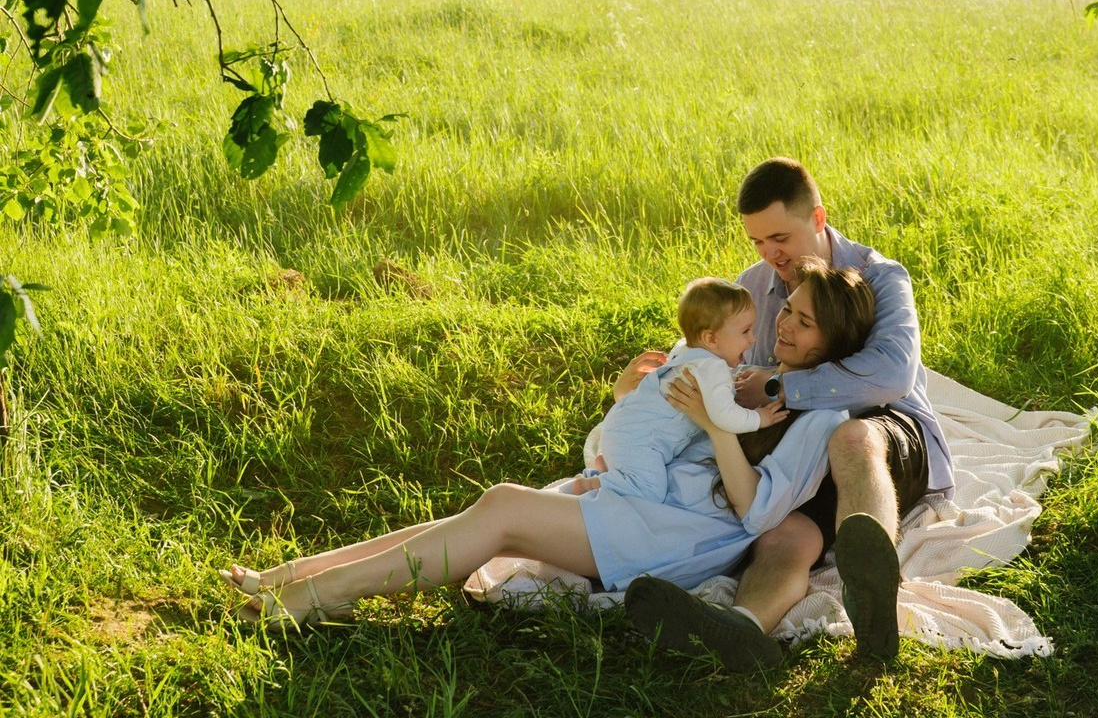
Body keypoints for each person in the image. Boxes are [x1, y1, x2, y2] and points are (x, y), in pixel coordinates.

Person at [218, 258, 876, 653]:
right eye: (788, 310)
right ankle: (292, 577)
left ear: (834, 342)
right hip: (635, 500)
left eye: (805, 322)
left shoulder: (824, 417)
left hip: (677, 533)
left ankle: (313, 598)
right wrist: (633, 399)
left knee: (502, 507)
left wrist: (716, 426)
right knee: (482, 517)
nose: (784, 325)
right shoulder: (748, 370)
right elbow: (658, 430)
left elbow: (758, 514)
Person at [618, 158, 955, 668]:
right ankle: (743, 627)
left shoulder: (879, 277)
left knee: (852, 438)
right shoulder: (753, 285)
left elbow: (891, 375)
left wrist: (779, 385)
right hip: (794, 444)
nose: (769, 254)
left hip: (882, 427)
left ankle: (874, 596)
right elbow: (718, 365)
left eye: (780, 237)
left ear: (818, 218)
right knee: (787, 533)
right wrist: (643, 391)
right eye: (757, 241)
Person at [580, 277, 788, 501]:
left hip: (626, 430)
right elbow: (725, 417)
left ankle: (611, 468)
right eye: (745, 331)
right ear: (711, 339)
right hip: (640, 441)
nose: (753, 339)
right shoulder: (712, 367)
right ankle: (593, 484)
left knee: (646, 477)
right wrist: (760, 418)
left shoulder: (686, 352)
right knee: (649, 491)